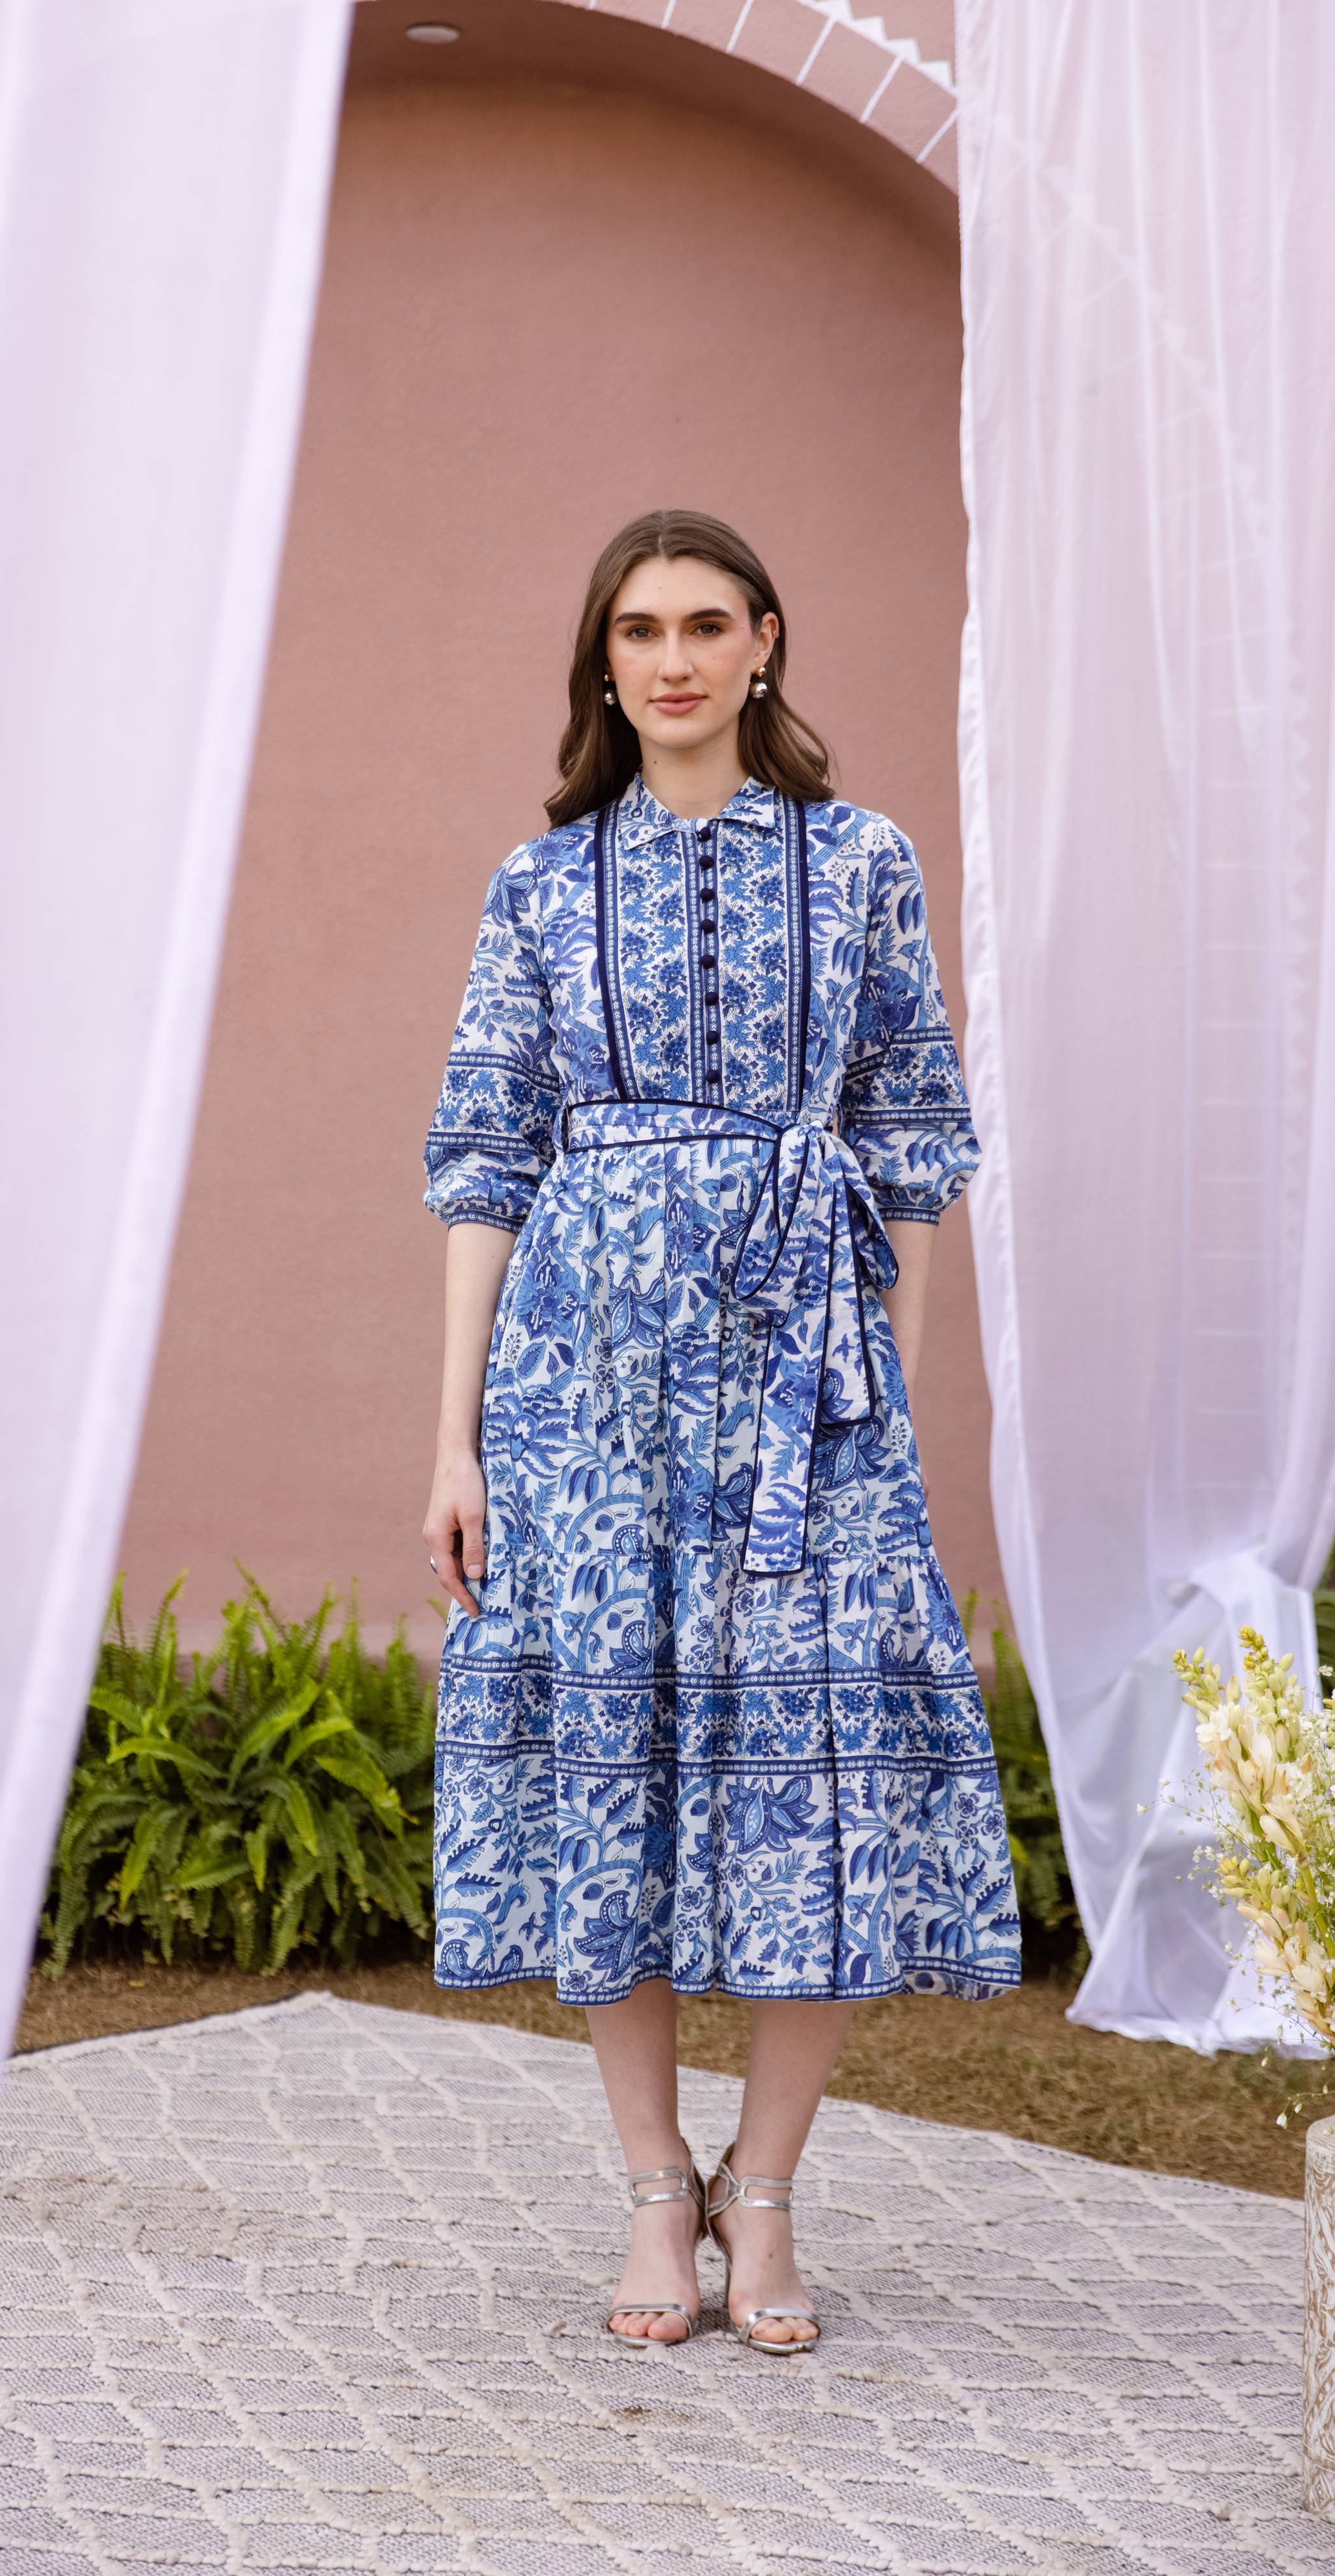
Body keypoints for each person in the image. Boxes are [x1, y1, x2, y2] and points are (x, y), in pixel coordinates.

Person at [422, 509, 1018, 2354]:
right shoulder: (540, 887)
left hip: (806, 1389)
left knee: (807, 1776)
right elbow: (481, 1164)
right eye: (636, 631)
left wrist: (891, 1398)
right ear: (601, 663)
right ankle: (650, 2188)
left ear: (765, 641)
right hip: (575, 1386)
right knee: (610, 1754)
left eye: (703, 624)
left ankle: (763, 2196)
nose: (670, 659)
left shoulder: (861, 867)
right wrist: (452, 1443)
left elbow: (915, 1141)